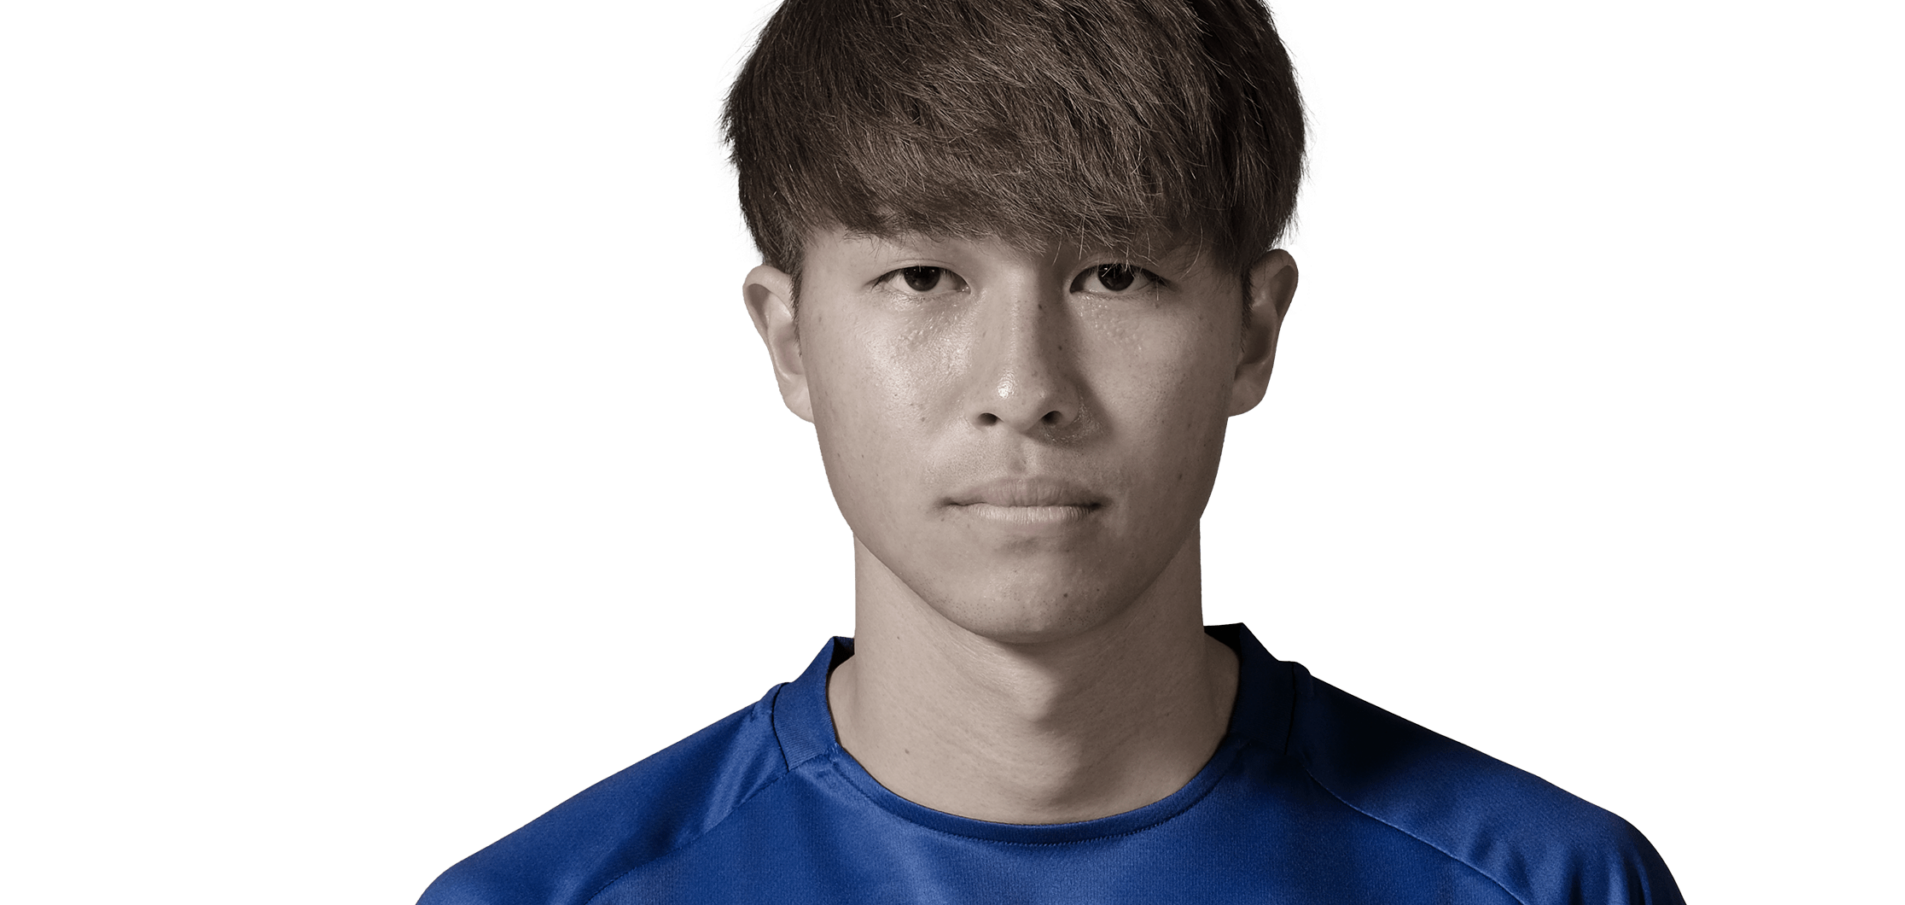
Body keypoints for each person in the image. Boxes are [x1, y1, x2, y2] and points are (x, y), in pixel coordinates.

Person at [418, 1, 1685, 902]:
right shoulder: (536, 900)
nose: (1023, 388)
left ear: (1253, 332)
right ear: (789, 341)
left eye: (1113, 273)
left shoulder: (1550, 884)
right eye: (924, 275)